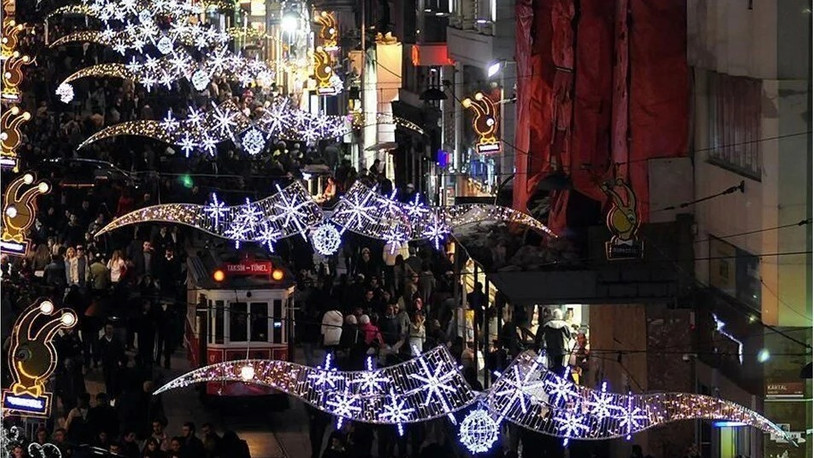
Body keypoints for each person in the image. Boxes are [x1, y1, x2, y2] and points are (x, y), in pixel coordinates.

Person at [538, 308, 572, 375]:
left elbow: (542, 337)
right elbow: (569, 337)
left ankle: (552, 377)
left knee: (551, 366)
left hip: (550, 349)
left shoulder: (547, 325)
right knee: (560, 365)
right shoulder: (564, 326)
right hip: (562, 350)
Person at [97, 323, 125, 397]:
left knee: (115, 381)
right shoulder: (102, 341)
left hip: (115, 364)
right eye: (107, 328)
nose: (109, 330)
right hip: (106, 364)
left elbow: (121, 352)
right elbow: (98, 352)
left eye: (110, 328)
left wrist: (120, 361)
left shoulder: (117, 341)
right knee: (107, 381)